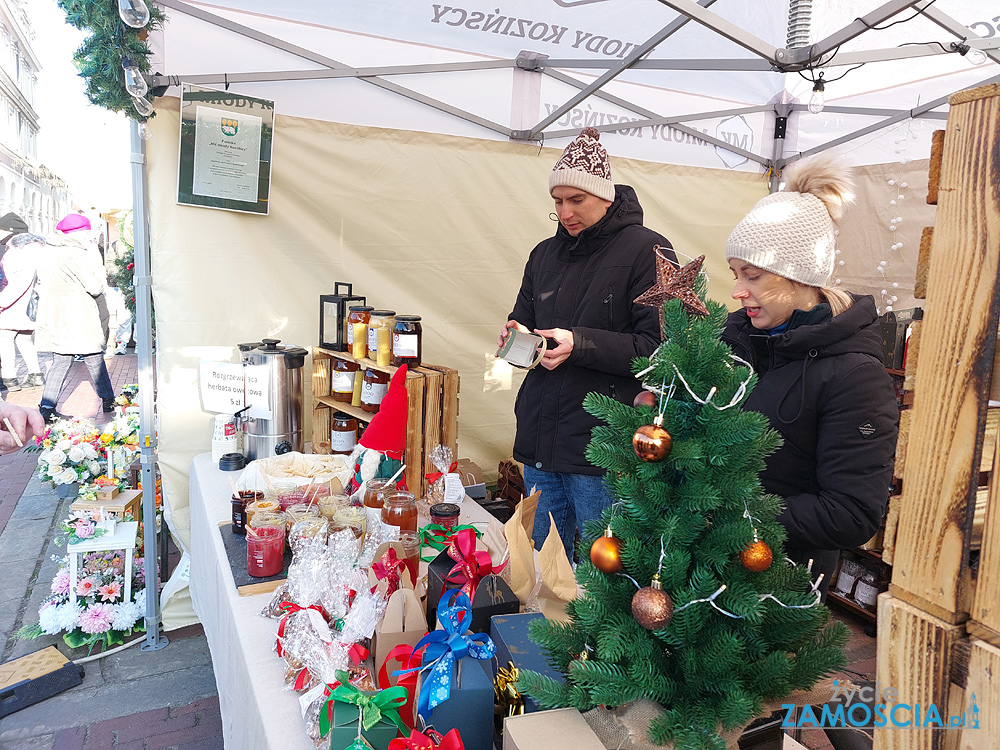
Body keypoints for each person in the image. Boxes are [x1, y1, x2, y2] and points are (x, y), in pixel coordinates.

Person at [721, 154, 899, 597]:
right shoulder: (736, 340)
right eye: (736, 274)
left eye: (753, 275)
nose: (737, 290)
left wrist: (729, 513)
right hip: (697, 564)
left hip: (774, 586)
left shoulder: (855, 375)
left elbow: (852, 513)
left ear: (799, 277)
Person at [498, 127, 674, 559]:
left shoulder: (648, 250)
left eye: (576, 200)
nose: (565, 211)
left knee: (601, 571)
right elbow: (524, 318)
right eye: (557, 201)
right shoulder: (543, 254)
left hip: (602, 447)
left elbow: (660, 349)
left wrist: (580, 344)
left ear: (606, 196)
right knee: (542, 563)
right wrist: (515, 338)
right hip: (541, 438)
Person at [35, 213, 116, 423]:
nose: (90, 236)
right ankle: (109, 400)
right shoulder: (75, 253)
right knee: (94, 358)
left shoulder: (47, 251)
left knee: (61, 361)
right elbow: (95, 286)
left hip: (56, 313)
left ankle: (46, 406)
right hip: (78, 313)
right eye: (87, 231)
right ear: (80, 232)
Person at [0, 233, 45, 390]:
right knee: (24, 339)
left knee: (5, 338)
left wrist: (2, 302)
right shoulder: (40, 252)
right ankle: (36, 374)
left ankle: (9, 378)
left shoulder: (20, 254)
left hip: (14, 305)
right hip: (31, 305)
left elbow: (17, 283)